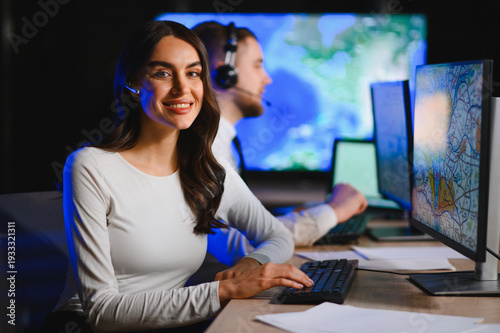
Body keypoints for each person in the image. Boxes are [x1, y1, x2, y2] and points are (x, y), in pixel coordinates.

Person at [45, 20, 313, 333]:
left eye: (193, 73)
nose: (182, 88)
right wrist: (226, 290)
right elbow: (103, 312)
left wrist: (250, 265)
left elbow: (277, 235)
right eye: (162, 72)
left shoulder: (208, 170)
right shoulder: (89, 166)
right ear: (133, 81)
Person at [191, 21, 368, 265]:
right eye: (257, 66)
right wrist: (335, 211)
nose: (267, 79)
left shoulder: (220, 141)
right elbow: (245, 246)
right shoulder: (204, 152)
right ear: (226, 74)